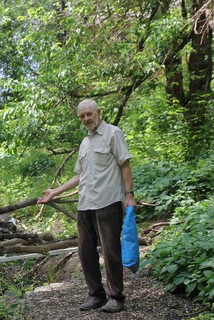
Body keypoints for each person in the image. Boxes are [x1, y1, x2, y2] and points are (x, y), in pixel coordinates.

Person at [37, 99, 136, 313]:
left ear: (98, 112)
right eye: (81, 116)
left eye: (89, 114)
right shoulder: (85, 142)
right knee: (85, 252)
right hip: (85, 204)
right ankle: (96, 295)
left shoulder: (113, 133)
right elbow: (80, 176)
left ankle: (116, 297)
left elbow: (125, 164)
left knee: (110, 251)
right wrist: (55, 191)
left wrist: (129, 196)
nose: (85, 119)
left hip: (108, 201)